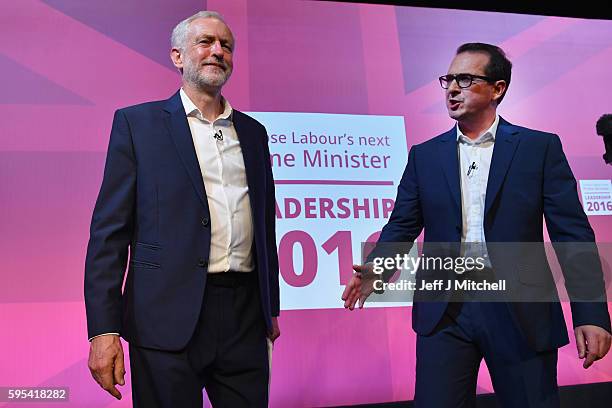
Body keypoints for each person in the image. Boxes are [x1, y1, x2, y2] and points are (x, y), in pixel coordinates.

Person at [342, 43, 611, 407]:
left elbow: (572, 235)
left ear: (497, 89)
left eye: (465, 79)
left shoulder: (538, 148)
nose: (452, 88)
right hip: (446, 311)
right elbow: (401, 227)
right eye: (448, 79)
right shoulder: (425, 155)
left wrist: (592, 313)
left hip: (520, 311)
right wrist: (378, 269)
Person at [84, 11, 279, 407]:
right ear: (177, 57)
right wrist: (103, 329)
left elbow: (262, 224)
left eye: (226, 45)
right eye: (205, 42)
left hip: (244, 318)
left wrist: (269, 306)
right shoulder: (138, 125)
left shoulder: (255, 133)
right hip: (164, 319)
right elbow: (109, 234)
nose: (217, 51)